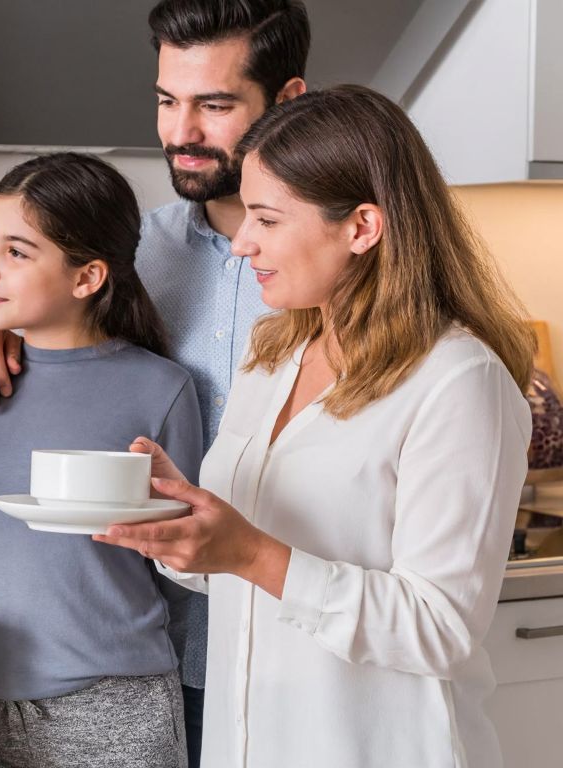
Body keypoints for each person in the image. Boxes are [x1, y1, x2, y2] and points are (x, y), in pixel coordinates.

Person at [97, 85, 534, 768]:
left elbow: (440, 628)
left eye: (267, 219)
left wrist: (249, 552)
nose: (241, 243)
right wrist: (181, 520)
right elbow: (248, 575)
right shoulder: (273, 354)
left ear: (362, 227)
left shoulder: (457, 380)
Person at [0, 3, 310, 763]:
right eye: (166, 100)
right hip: (149, 669)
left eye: (214, 105)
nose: (181, 131)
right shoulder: (134, 253)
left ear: (287, 102)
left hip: (296, 654)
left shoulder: (330, 265)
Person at [0, 153, 201, 767]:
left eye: (17, 251)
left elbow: (181, 570)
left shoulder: (161, 389)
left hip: (114, 706)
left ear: (88, 277)